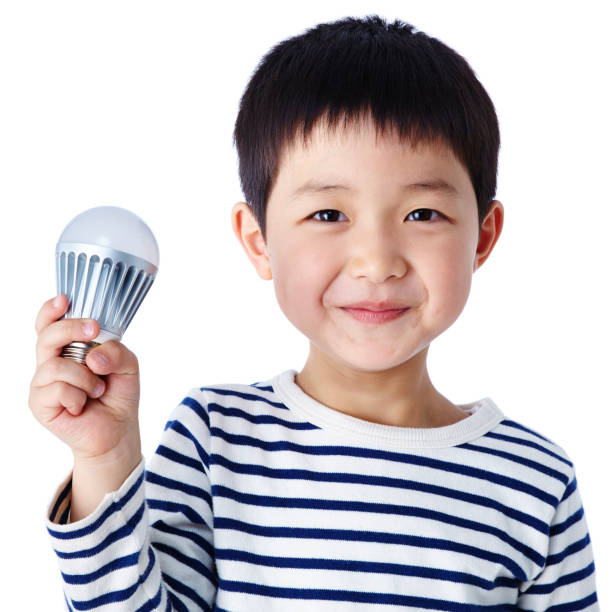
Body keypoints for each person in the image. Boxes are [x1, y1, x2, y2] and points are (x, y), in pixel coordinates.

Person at [30, 15, 599, 611]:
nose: (376, 263)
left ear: (481, 239)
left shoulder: (536, 481)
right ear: (259, 241)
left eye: (423, 214)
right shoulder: (216, 440)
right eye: (328, 215)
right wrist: (103, 457)